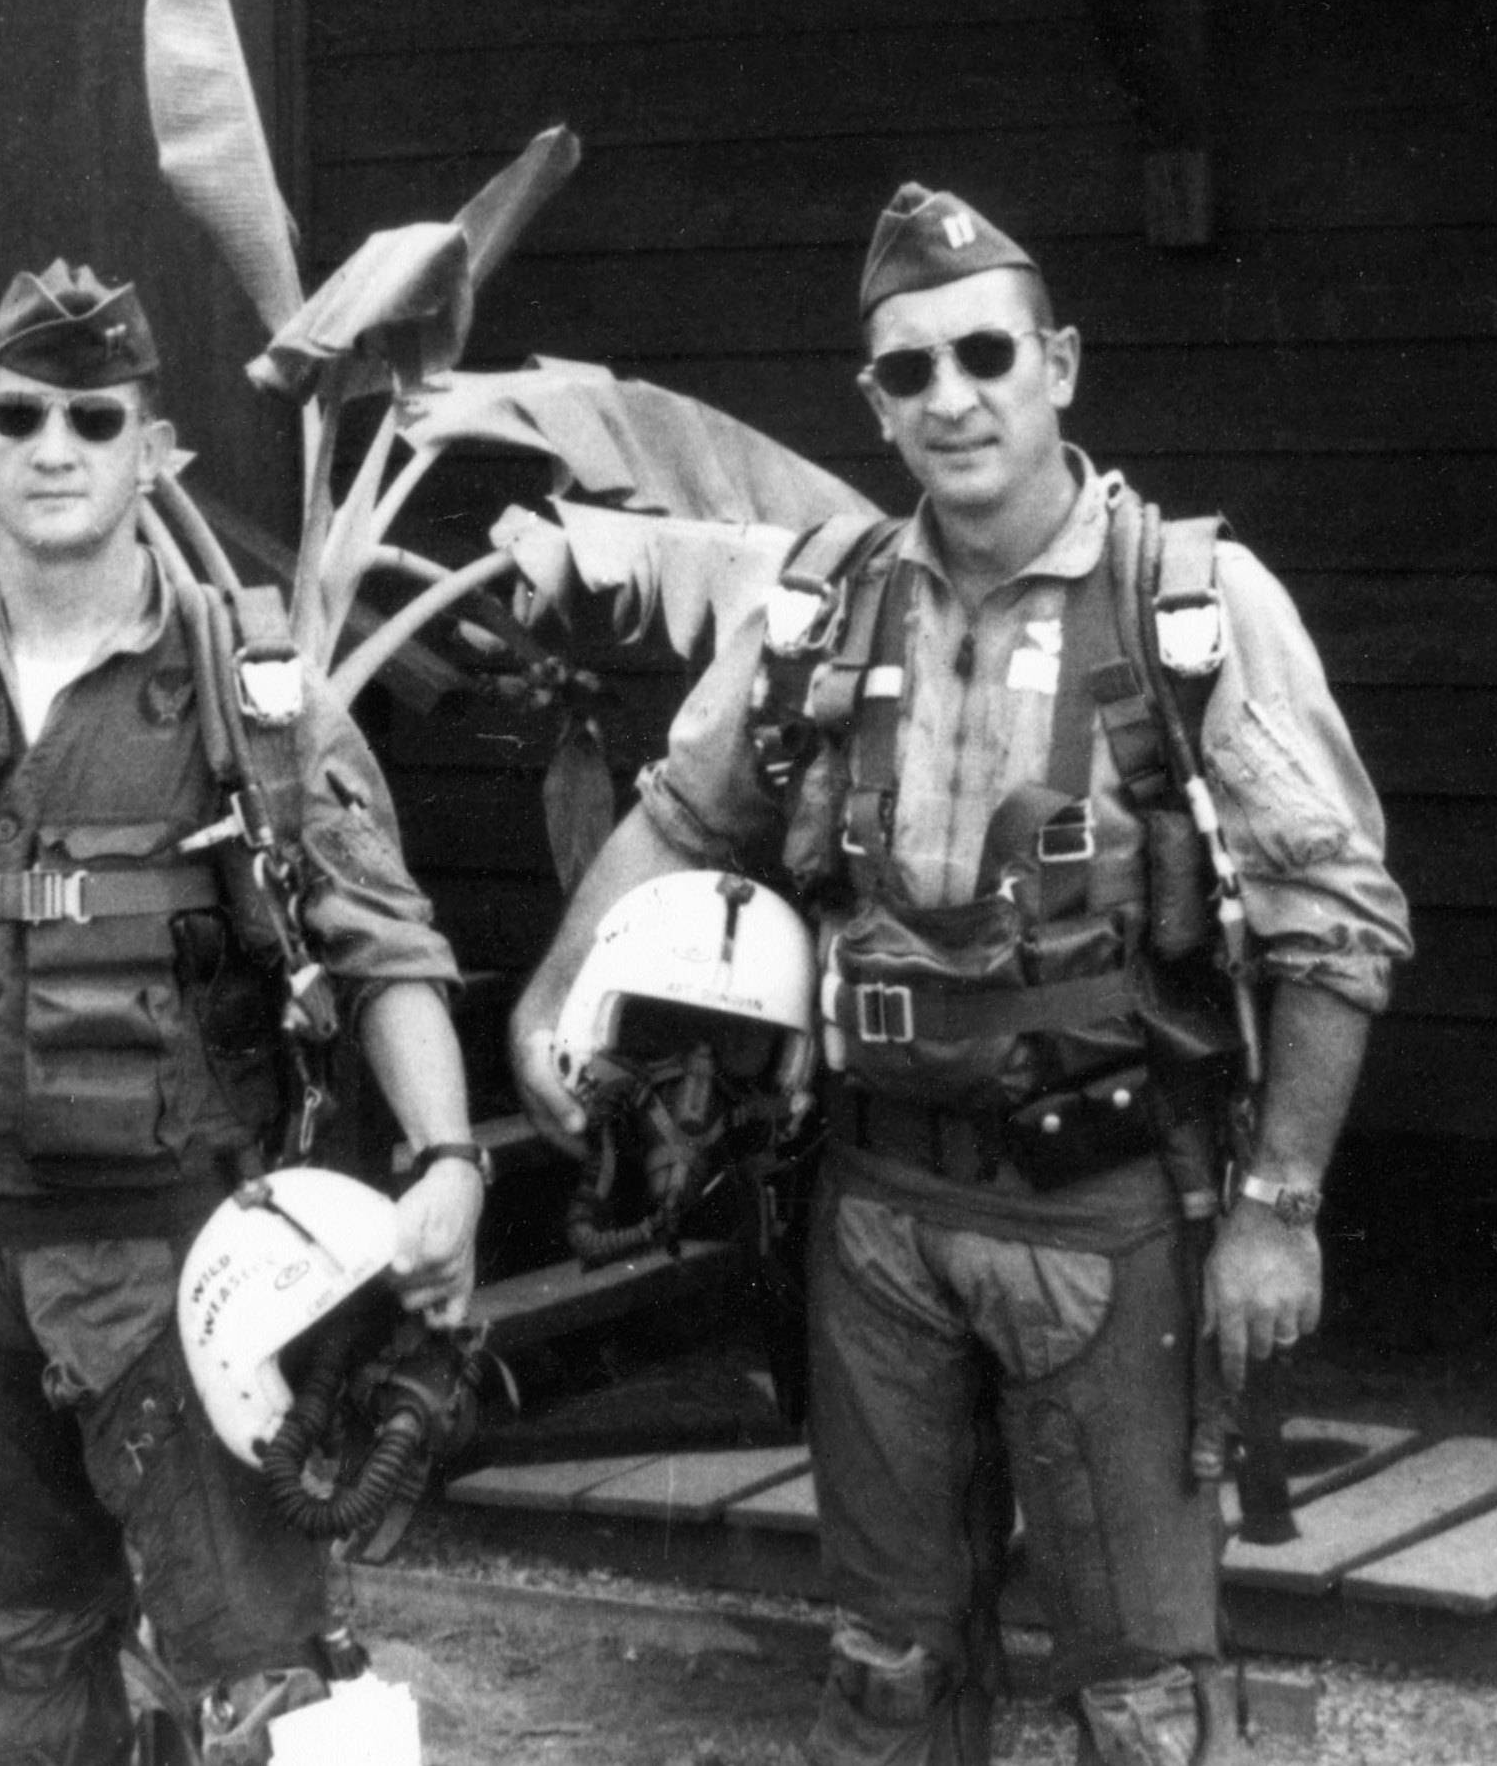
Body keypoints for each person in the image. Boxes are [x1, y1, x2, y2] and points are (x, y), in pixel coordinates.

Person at [510, 187, 1412, 1765]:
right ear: (874, 402)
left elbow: (1338, 917)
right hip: (875, 1226)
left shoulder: (1188, 606)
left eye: (984, 352)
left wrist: (1278, 1212)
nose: (951, 396)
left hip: (1109, 1219)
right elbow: (678, 814)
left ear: (1057, 361)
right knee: (886, 1674)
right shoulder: (822, 605)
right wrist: (545, 997)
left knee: (1138, 1696)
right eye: (907, 372)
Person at [0, 260, 487, 1766]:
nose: (55, 445)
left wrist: (451, 1159)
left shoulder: (251, 697)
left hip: (178, 1272)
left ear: (158, 452)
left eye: (96, 415)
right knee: (21, 1666)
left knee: (271, 1691)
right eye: (18, 416)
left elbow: (385, 948)